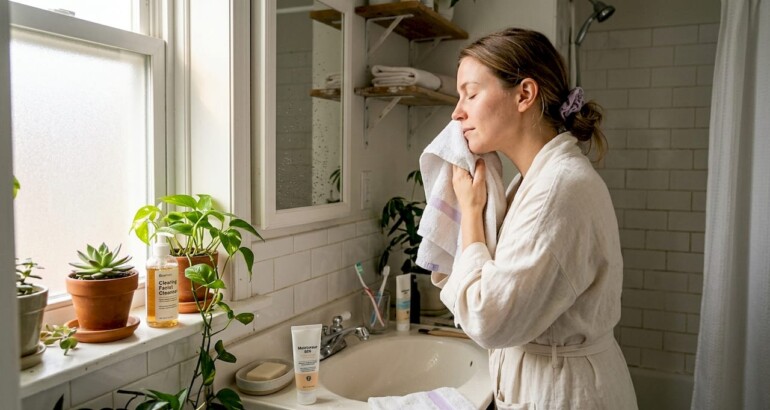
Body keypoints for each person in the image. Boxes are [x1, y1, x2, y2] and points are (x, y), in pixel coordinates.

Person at [436, 28, 638, 409]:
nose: (457, 111)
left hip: (565, 393)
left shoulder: (557, 189)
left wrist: (472, 214)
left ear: (524, 94)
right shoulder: (536, 181)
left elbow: (488, 318)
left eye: (471, 93)